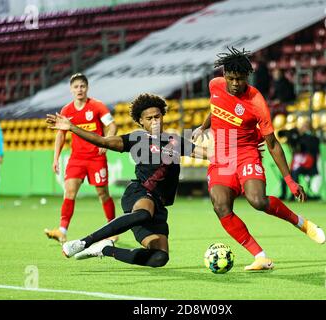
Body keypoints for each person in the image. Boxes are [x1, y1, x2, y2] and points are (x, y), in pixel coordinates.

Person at [192, 47, 325, 271]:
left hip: (246, 152)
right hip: (222, 156)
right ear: (224, 75)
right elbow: (215, 108)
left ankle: (301, 223)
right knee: (221, 206)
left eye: (240, 79)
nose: (235, 83)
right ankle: (260, 257)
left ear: (247, 77)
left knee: (258, 201)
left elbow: (272, 143)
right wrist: (202, 127)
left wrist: (290, 181)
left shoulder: (256, 101)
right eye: (231, 78)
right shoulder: (214, 85)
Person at [46, 93, 207, 267]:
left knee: (159, 258)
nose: (154, 121)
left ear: (163, 116)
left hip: (159, 206)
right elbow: (102, 141)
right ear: (141, 121)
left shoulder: (174, 141)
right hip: (139, 193)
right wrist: (72, 127)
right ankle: (84, 242)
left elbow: (207, 154)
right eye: (149, 118)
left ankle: (105, 249)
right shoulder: (137, 138)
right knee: (144, 212)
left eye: (157, 116)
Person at [44, 73, 118, 244]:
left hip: (96, 158)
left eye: (82, 86)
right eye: (76, 87)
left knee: (103, 193)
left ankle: (113, 228)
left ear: (87, 88)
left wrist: (106, 142)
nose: (79, 89)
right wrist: (55, 158)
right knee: (69, 192)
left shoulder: (97, 106)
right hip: (77, 158)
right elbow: (60, 136)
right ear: (71, 89)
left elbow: (112, 125)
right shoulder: (66, 111)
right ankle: (62, 231)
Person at [279, 120, 320, 200]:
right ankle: (283, 194)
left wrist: (298, 137)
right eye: (302, 126)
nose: (302, 128)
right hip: (298, 164)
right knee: (285, 173)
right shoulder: (299, 137)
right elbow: (295, 146)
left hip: (308, 165)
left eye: (305, 127)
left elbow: (308, 149)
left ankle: (294, 194)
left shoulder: (313, 139)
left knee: (295, 172)